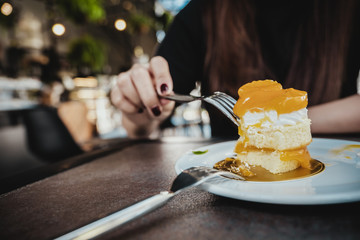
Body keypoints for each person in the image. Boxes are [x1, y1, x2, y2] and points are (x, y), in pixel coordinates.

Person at [111, 0, 360, 139]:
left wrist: (283, 120)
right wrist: (138, 106)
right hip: (227, 193)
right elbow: (139, 126)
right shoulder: (202, 13)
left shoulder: (349, 10)